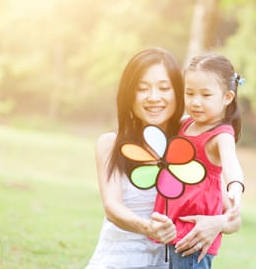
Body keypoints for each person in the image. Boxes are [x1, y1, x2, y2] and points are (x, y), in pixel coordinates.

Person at [86, 48, 240, 269]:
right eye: (142, 89)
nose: (154, 98)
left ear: (178, 92)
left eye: (164, 88)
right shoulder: (110, 143)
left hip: (169, 262)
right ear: (129, 94)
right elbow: (112, 207)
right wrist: (147, 227)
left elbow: (233, 215)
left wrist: (216, 224)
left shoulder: (189, 142)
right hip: (119, 260)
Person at [154, 53, 245, 269]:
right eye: (190, 93)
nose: (196, 102)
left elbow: (232, 165)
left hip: (194, 234)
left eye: (206, 95)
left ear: (227, 97)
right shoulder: (185, 124)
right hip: (173, 227)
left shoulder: (221, 134)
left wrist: (235, 188)